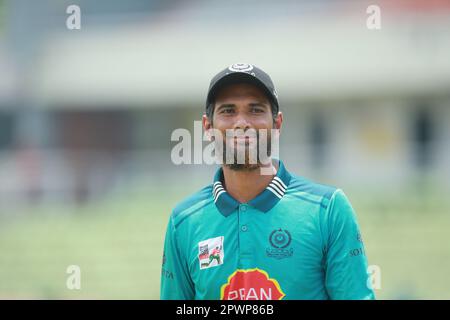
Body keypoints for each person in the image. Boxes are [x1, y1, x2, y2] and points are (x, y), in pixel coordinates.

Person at [160, 63, 375, 300]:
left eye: (255, 110)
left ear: (277, 124)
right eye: (228, 111)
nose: (241, 123)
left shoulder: (327, 209)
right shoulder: (184, 221)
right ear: (208, 127)